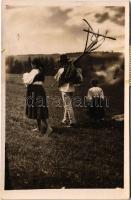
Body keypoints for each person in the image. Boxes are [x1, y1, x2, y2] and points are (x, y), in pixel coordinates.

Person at [23, 58, 52, 135]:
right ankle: (39, 127)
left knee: (39, 108)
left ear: (34, 64)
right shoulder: (41, 71)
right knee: (38, 108)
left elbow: (27, 81)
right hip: (40, 90)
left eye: (32, 64)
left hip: (35, 90)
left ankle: (48, 128)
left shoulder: (34, 71)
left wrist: (25, 76)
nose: (31, 65)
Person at [55, 54, 83, 127]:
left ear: (62, 62)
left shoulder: (61, 70)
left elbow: (57, 78)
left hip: (64, 89)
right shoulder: (73, 68)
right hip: (71, 89)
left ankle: (72, 122)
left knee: (68, 106)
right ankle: (65, 119)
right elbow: (78, 77)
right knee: (67, 105)